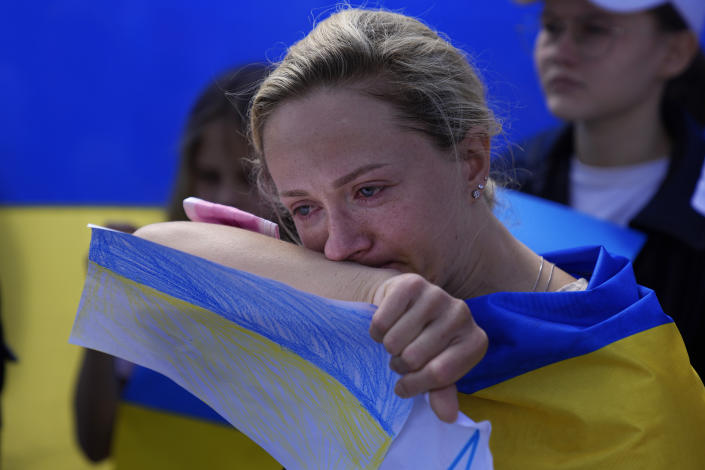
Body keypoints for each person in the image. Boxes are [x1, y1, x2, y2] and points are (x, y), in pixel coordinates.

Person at [134, 7, 705, 468]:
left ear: (473, 160)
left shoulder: (632, 385)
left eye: (369, 191)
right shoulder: (358, 304)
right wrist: (367, 293)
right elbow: (149, 253)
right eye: (304, 207)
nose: (338, 246)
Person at [74, 63, 281, 469]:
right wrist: (106, 296)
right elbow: (94, 443)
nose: (225, 197)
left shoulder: (337, 291)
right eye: (208, 175)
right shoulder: (151, 281)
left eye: (249, 176)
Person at [508, 0, 705, 377]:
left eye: (594, 29)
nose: (560, 51)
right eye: (551, 26)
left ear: (676, 52)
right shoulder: (503, 180)